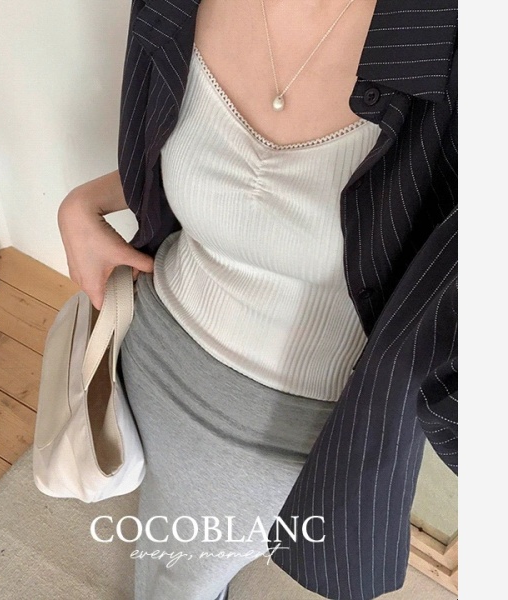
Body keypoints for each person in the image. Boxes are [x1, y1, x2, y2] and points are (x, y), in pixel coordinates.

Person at [58, 1, 458, 599]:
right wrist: (82, 203)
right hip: (144, 339)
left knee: (174, 580)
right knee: (162, 539)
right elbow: (204, 153)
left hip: (284, 430)